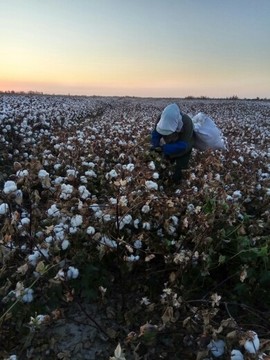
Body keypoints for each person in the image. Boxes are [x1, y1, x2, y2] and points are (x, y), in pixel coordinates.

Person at [150, 103, 195, 184]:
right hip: (169, 144)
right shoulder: (161, 117)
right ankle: (162, 182)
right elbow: (156, 133)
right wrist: (155, 145)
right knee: (162, 167)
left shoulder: (187, 122)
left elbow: (183, 145)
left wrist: (164, 148)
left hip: (184, 149)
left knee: (179, 172)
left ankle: (176, 185)